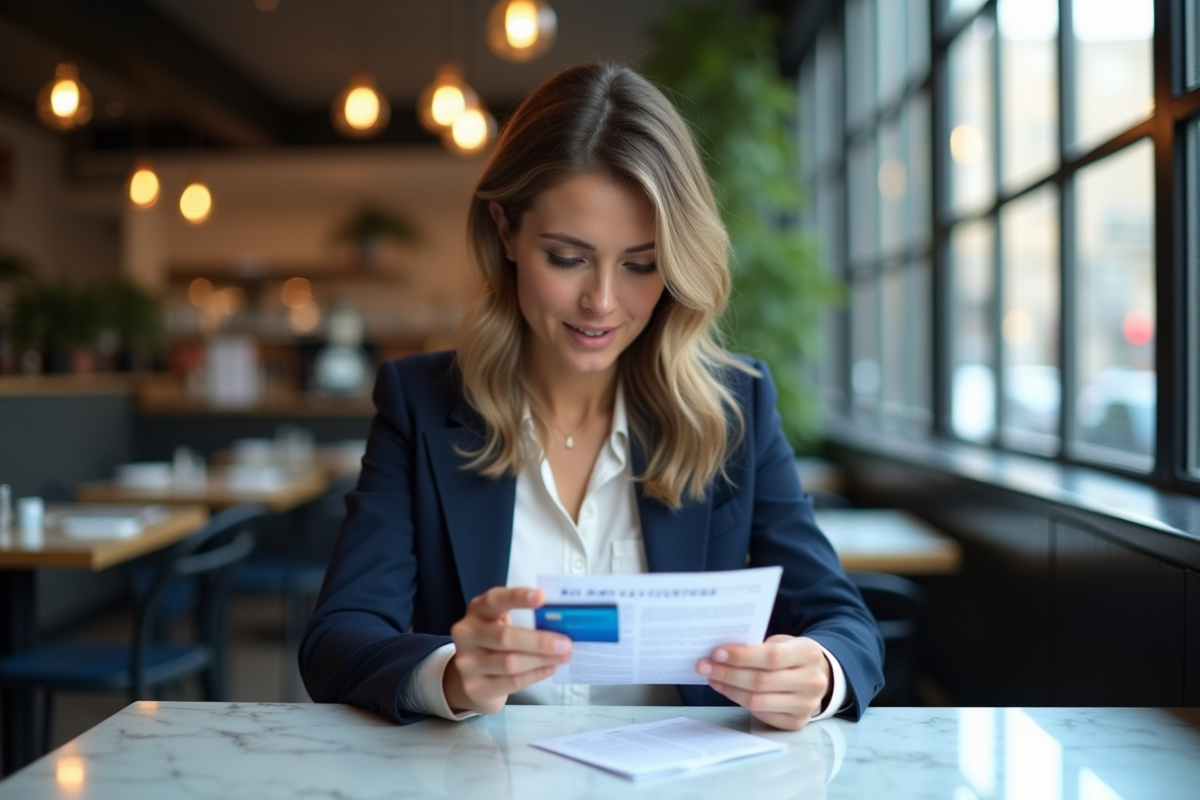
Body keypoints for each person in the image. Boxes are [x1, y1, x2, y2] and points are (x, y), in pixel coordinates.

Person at [300, 62, 884, 731]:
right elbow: (337, 638)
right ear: (507, 232)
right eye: (568, 258)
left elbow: (845, 625)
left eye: (640, 265)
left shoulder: (735, 406)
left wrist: (818, 671)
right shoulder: (421, 402)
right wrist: (453, 675)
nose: (602, 302)